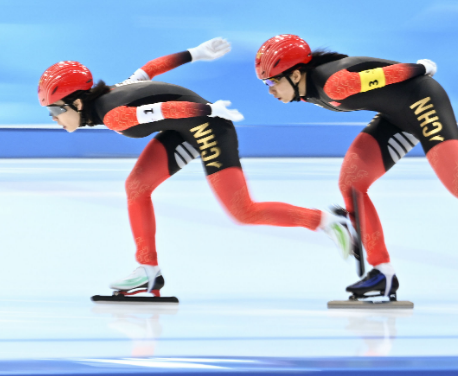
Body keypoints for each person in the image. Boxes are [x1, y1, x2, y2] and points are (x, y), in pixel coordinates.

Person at [39, 37, 357, 298]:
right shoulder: (112, 93)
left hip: (207, 124)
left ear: (77, 103)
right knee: (136, 187)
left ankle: (329, 222)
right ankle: (148, 271)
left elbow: (165, 109)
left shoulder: (114, 116)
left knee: (242, 210)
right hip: (183, 126)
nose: (53, 118)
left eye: (55, 110)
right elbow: (148, 70)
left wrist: (209, 110)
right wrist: (195, 53)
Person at [254, 34, 458, 301]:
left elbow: (390, 74)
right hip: (394, 115)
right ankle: (382, 273)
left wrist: (422, 68)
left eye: (272, 81)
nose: (270, 90)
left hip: (423, 101)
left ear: (296, 74)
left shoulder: (334, 85)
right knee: (351, 183)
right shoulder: (306, 89)